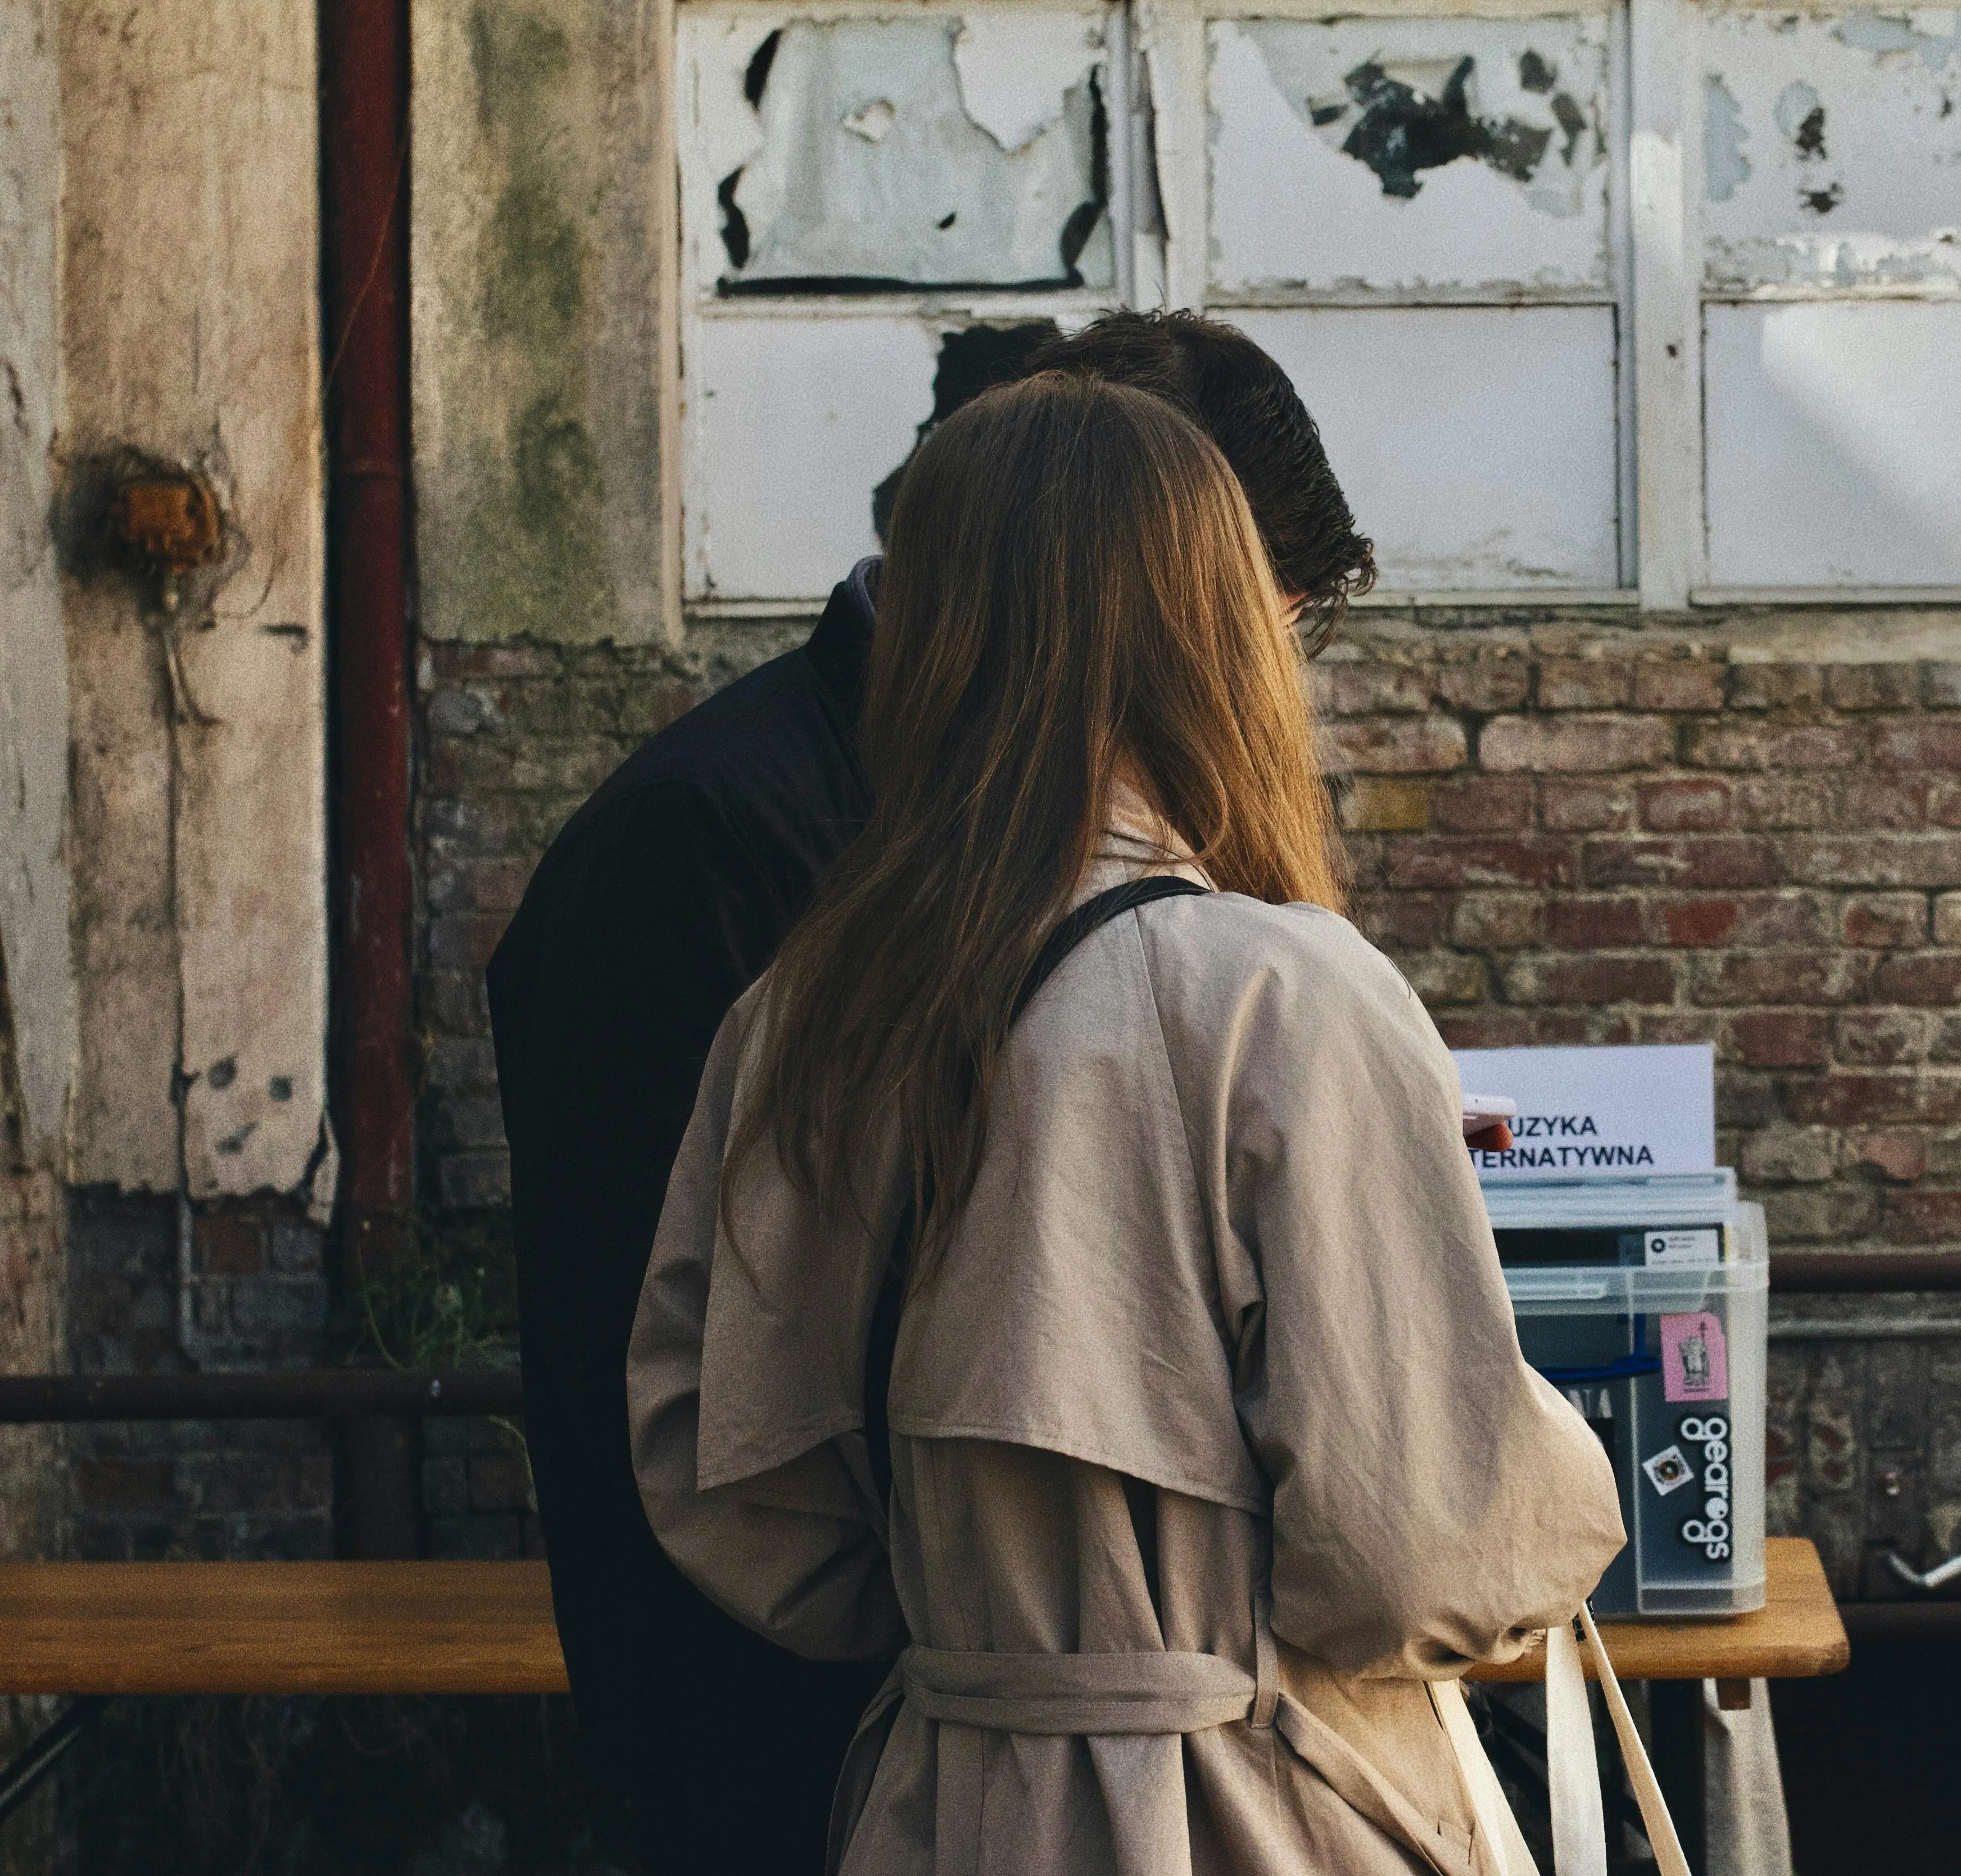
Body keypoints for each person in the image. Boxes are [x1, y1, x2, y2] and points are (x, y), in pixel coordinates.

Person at [627, 374, 1625, 1873]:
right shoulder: (1281, 993)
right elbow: (1426, 1552)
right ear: (1216, 632)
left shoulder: (803, 1013)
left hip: (942, 1808)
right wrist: (1550, 1460)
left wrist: (998, 1630)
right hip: (1265, 1806)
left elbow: (727, 1485)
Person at [487, 313, 1382, 1875]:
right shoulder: (707, 851)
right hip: (828, 1762)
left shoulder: (1098, 882)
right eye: (1253, 616)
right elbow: (679, 1411)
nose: (1269, 681)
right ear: (1129, 585)